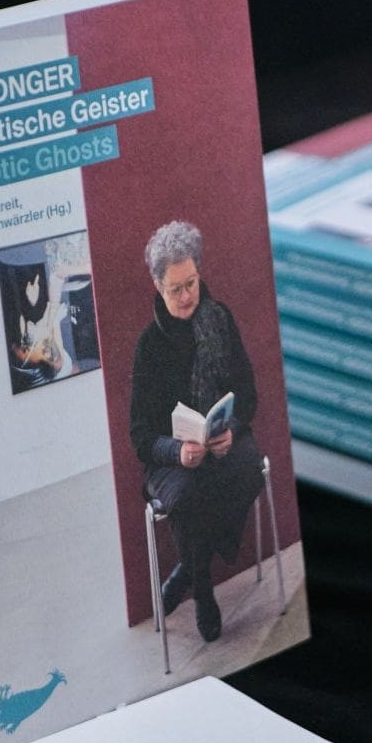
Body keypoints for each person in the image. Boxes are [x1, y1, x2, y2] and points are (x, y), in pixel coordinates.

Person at [129, 220, 263, 643]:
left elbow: (248, 393)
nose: (187, 296)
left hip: (220, 444)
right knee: (189, 495)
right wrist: (177, 452)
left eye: (191, 283)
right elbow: (140, 435)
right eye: (175, 289)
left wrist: (233, 430)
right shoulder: (149, 346)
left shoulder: (219, 319)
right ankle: (203, 592)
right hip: (171, 460)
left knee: (250, 469)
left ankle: (187, 569)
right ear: (158, 286)